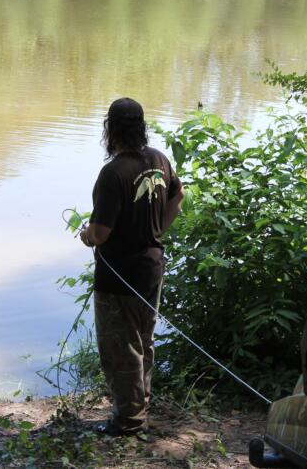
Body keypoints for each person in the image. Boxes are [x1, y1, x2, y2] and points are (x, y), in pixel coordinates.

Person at [79, 98, 184, 436]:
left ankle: (129, 421)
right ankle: (140, 406)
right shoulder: (159, 160)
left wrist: (87, 235)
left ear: (110, 129)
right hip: (152, 268)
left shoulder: (113, 172)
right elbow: (177, 199)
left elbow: (101, 232)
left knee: (121, 348)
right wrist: (155, 231)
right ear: (141, 126)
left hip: (118, 276)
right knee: (144, 341)